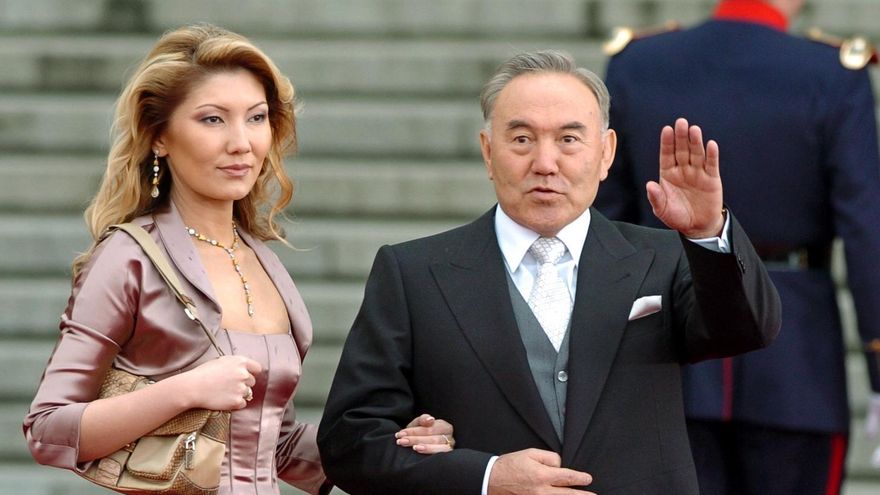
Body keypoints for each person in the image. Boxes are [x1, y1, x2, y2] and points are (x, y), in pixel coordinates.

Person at [316, 49, 781, 494]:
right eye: (521, 139)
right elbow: (349, 441)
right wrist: (485, 477)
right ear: (487, 151)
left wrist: (705, 232)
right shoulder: (412, 273)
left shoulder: (663, 258)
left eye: (568, 139)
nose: (544, 163)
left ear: (605, 153)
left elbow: (746, 331)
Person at [22, 23, 454, 495]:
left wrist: (392, 447)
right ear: (159, 136)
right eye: (212, 119)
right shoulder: (128, 257)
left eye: (256, 118)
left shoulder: (263, 261)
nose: (241, 143)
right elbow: (47, 429)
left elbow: (276, 445)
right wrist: (185, 390)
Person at [595, 0, 880, 493]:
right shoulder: (832, 73)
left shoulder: (637, 62)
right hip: (796, 364)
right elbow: (866, 231)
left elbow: (606, 230)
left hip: (665, 357)